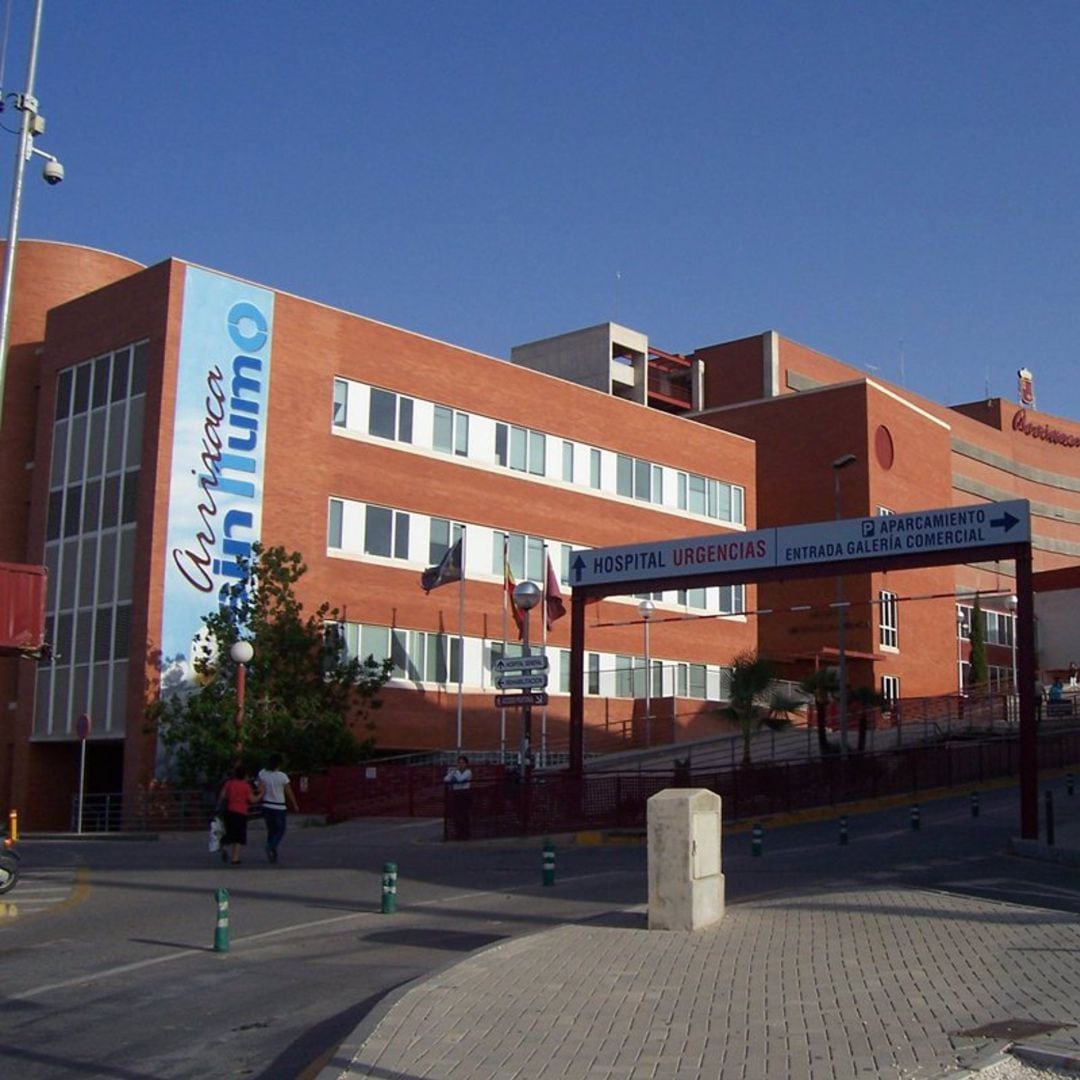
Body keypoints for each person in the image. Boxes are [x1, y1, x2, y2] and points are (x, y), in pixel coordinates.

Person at [256, 754, 300, 863]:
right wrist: (294, 804)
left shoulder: (262, 773)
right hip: (279, 806)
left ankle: (273, 852)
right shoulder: (282, 776)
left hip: (266, 804)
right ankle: (271, 846)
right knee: (281, 829)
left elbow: (259, 787)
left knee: (271, 830)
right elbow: (288, 791)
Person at [219, 764, 260, 865]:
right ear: (245, 775)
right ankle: (235, 858)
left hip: (229, 811)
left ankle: (223, 843)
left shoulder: (229, 783)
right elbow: (252, 800)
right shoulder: (246, 786)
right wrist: (261, 793)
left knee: (230, 831)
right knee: (239, 836)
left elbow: (222, 796)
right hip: (241, 812)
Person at [443, 755, 473, 840]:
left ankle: (466, 834)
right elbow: (446, 779)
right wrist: (453, 773)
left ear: (466, 764)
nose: (460, 764)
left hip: (464, 793)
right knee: (456, 815)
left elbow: (461, 780)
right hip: (456, 793)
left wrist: (454, 778)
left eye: (462, 762)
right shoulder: (454, 771)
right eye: (459, 763)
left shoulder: (468, 772)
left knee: (464, 814)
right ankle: (458, 833)